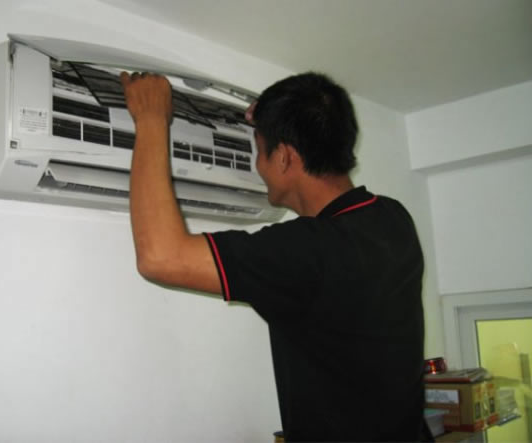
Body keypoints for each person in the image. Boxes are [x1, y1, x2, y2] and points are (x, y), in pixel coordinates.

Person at [119, 71, 427, 442]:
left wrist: (151, 119)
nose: (257, 165)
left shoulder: (305, 251)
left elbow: (160, 257)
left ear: (283, 157)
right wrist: (275, 116)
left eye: (258, 149)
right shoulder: (393, 219)